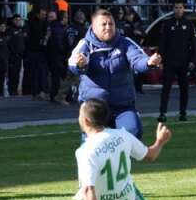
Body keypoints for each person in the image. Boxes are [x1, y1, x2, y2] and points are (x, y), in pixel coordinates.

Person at [63, 98, 179, 200]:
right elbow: (150, 155)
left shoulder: (85, 151)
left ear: (86, 120)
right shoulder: (122, 135)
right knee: (126, 182)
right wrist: (159, 141)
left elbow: (89, 189)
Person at [69, 8, 163, 141]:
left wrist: (149, 62)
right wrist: (81, 64)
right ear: (93, 27)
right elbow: (73, 64)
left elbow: (138, 59)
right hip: (95, 107)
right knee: (94, 145)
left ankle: (122, 160)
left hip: (122, 105)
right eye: (103, 24)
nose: (108, 27)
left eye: (111, 24)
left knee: (133, 132)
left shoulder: (125, 42)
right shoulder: (84, 44)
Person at [158, 1, 195, 123]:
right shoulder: (167, 24)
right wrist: (160, 59)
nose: (178, 10)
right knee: (166, 88)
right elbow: (162, 43)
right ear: (173, 9)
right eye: (176, 7)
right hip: (169, 62)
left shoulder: (189, 24)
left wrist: (192, 60)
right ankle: (162, 113)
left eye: (180, 7)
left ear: (184, 9)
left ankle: (183, 112)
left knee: (184, 88)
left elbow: (193, 44)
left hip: (184, 62)